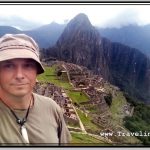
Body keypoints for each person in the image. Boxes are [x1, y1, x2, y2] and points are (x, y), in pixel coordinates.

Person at [0, 34, 71, 145]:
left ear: (36, 71)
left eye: (27, 65)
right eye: (8, 66)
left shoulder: (52, 109)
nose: (19, 75)